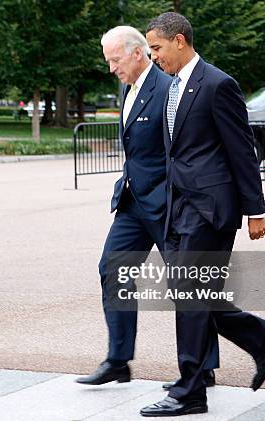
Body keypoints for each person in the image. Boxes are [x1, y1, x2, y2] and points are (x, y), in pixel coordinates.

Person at [138, 13, 265, 417]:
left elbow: (242, 150)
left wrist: (255, 210)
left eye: (157, 48)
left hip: (210, 208)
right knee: (193, 295)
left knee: (191, 297)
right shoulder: (172, 88)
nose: (154, 57)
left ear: (180, 41)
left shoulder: (218, 84)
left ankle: (190, 391)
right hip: (178, 208)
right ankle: (260, 339)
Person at [75, 25, 177, 386]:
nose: (111, 68)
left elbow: (179, 150)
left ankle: (202, 368)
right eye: (107, 61)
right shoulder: (125, 87)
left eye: (115, 60)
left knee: (187, 284)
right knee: (112, 269)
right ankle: (118, 360)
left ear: (138, 53)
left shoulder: (168, 89)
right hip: (133, 202)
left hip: (166, 204)